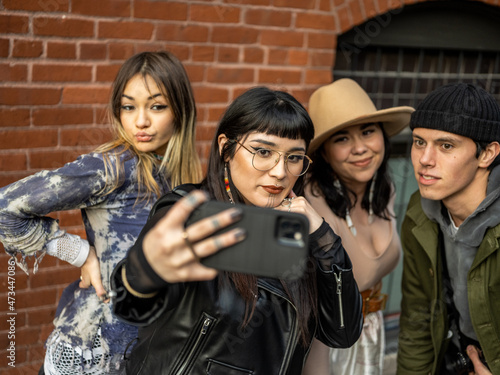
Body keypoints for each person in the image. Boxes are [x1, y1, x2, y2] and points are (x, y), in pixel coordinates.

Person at [110, 86, 364, 374]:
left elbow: (342, 334)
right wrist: (143, 274)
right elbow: (132, 304)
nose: (280, 172)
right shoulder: (191, 214)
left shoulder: (302, 235)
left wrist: (324, 241)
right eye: (263, 151)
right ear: (225, 148)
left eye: (294, 157)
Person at [0, 51, 202, 374]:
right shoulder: (112, 167)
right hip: (92, 348)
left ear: (180, 110)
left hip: (141, 348)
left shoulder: (174, 175)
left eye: (157, 106)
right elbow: (5, 207)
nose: (141, 121)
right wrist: (79, 253)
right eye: (129, 106)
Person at [301, 78, 414, 375]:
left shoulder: (384, 188)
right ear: (324, 151)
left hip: (372, 337)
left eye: (367, 132)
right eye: (342, 139)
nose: (360, 148)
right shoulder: (310, 202)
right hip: (326, 344)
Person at [397, 82, 500, 375]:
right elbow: (418, 317)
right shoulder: (420, 211)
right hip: (457, 354)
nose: (425, 160)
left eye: (446, 145)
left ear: (486, 154)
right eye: (419, 142)